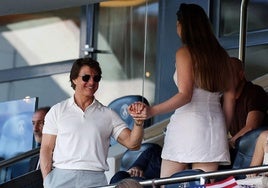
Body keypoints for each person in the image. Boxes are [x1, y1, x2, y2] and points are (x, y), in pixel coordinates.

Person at [132, 3, 236, 179]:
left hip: (187, 124)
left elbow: (185, 95)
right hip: (213, 127)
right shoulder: (222, 55)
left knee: (169, 182)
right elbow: (230, 98)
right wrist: (221, 129)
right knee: (204, 184)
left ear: (182, 25)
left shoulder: (185, 52)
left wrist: (152, 111)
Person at [40, 57, 147, 188]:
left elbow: (133, 144)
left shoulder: (108, 114)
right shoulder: (57, 110)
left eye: (96, 78)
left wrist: (138, 123)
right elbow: (46, 149)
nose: (91, 82)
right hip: (60, 178)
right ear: (74, 79)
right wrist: (47, 181)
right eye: (86, 77)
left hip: (94, 179)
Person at [227, 57, 268, 149]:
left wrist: (230, 143)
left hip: (255, 147)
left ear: (241, 75)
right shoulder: (224, 99)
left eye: (228, 74)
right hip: (237, 147)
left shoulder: (255, 92)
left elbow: (251, 127)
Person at [28, 106, 50, 172]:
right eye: (33, 123)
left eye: (40, 123)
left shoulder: (62, 155)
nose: (35, 129)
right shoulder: (34, 157)